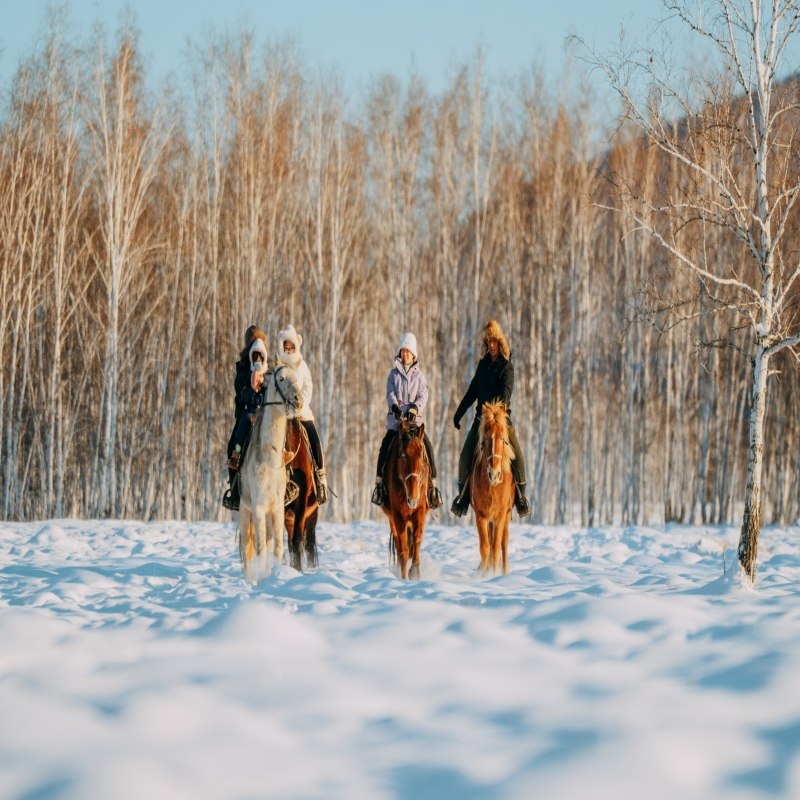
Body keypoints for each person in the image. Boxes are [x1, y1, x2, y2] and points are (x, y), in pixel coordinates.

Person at [450, 319, 530, 518]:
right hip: (481, 421)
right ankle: (463, 498)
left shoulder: (507, 367)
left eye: (494, 341)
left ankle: (520, 499)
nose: (491, 345)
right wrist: (459, 413)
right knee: (464, 456)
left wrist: (499, 409)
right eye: (489, 342)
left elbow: (506, 392)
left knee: (518, 457)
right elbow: (472, 392)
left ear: (500, 342)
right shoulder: (483, 366)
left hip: (501, 420)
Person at [371, 332, 443, 509]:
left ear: (413, 354)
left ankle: (432, 487)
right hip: (397, 424)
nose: (404, 354)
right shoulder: (393, 374)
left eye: (408, 351)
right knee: (385, 446)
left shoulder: (420, 377)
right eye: (403, 351)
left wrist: (415, 408)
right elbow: (390, 393)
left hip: (414, 423)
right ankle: (380, 485)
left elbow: (423, 395)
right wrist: (394, 406)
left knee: (427, 446)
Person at [277, 325, 328, 504]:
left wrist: (300, 405)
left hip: (301, 413)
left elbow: (308, 386)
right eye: (286, 346)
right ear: (281, 347)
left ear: (296, 347)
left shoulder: (302, 365)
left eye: (292, 347)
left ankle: (321, 480)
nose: (289, 350)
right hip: (283, 415)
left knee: (314, 439)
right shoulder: (279, 365)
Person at [222, 325, 270, 511]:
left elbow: (273, 389)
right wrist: (254, 395)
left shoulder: (270, 366)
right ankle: (235, 491)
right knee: (234, 443)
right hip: (248, 413)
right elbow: (240, 393)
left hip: (266, 413)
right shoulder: (243, 367)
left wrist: (263, 388)